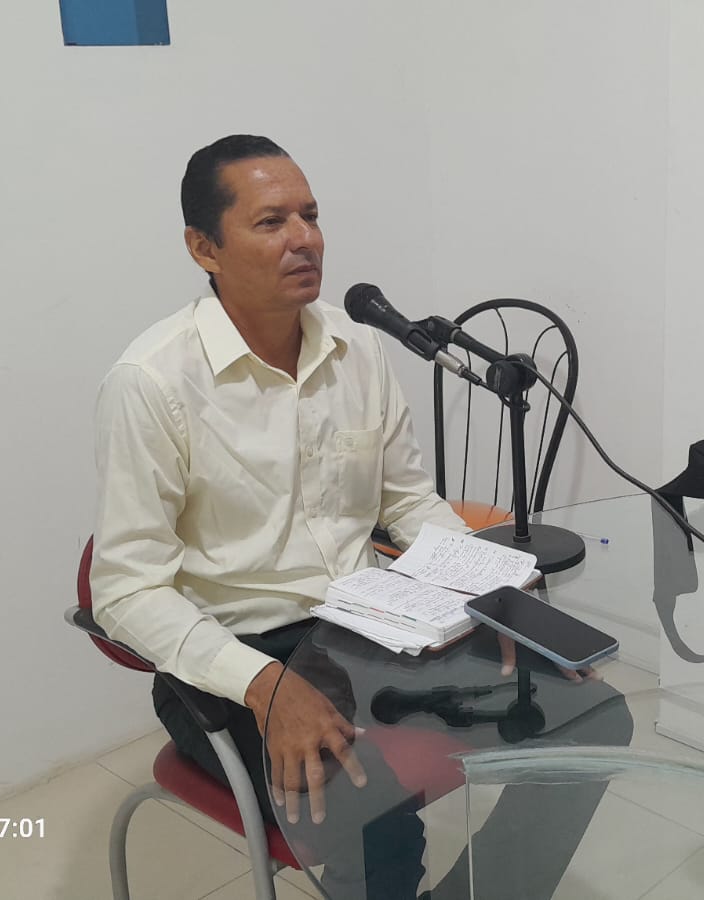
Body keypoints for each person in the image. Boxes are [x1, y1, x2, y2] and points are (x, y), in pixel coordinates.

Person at [90, 135, 630, 899]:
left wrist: (493, 596)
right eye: (271, 221)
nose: (304, 238)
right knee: (373, 807)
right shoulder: (151, 383)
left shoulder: (358, 349)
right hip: (236, 657)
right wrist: (264, 686)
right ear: (204, 248)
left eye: (310, 215)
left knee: (592, 716)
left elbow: (407, 503)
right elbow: (124, 590)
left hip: (370, 629)